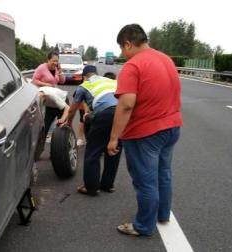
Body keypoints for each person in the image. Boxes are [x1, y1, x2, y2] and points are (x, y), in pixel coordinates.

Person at [107, 24, 183, 236]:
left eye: (122, 48)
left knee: (145, 181)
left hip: (146, 132)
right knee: (163, 173)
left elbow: (126, 104)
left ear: (128, 44)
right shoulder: (166, 59)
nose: (122, 53)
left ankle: (143, 226)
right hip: (172, 127)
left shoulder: (133, 66)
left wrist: (114, 138)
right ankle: (162, 214)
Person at [62, 65, 121, 196]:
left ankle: (91, 187)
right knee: (114, 149)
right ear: (97, 73)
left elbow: (72, 109)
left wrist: (69, 124)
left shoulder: (84, 85)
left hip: (105, 114)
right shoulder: (111, 81)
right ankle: (107, 185)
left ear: (84, 77)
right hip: (122, 113)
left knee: (93, 151)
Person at [32, 51, 66, 137]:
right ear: (48, 59)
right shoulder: (42, 67)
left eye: (57, 61)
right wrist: (46, 84)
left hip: (54, 95)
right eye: (53, 61)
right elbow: (34, 80)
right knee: (47, 118)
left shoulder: (56, 69)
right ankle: (45, 136)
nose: (55, 63)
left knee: (59, 116)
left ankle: (58, 137)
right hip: (45, 95)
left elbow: (62, 81)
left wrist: (60, 70)